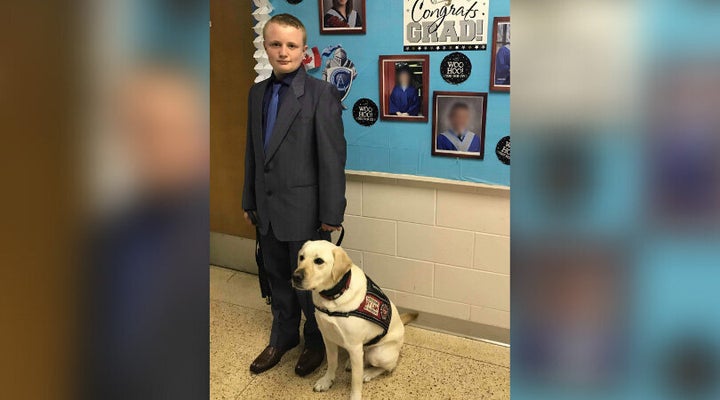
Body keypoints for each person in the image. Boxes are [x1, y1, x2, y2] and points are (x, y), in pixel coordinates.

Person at [242, 14, 347, 376]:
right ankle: (283, 335)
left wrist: (332, 213)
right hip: (267, 211)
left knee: (309, 286)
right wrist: (248, 200)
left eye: (291, 45)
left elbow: (332, 159)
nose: (283, 52)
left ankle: (315, 340)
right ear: (266, 47)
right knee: (276, 277)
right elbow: (253, 153)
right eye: (275, 44)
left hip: (305, 212)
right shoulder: (257, 93)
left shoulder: (321, 94)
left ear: (304, 51)